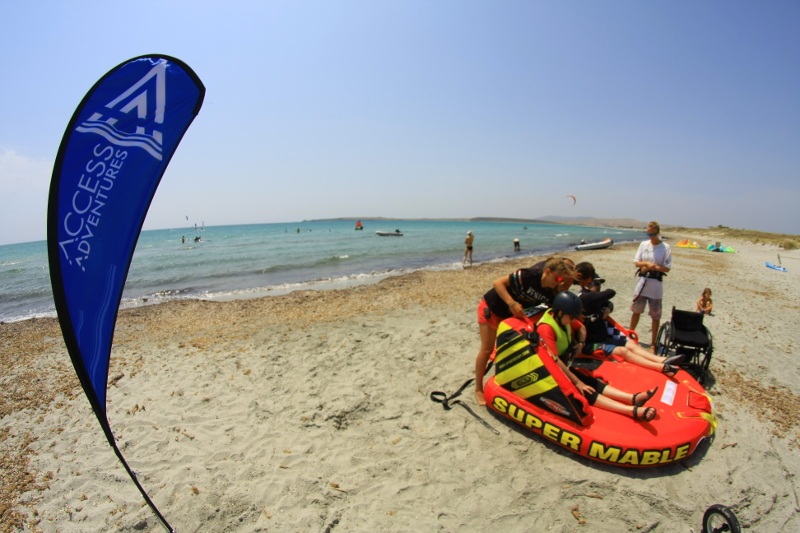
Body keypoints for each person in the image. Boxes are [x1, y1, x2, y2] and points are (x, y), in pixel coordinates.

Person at [537, 292, 658, 421]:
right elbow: (553, 360)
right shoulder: (546, 328)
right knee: (584, 389)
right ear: (560, 313)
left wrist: (581, 344)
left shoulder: (562, 317)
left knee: (590, 382)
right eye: (572, 317)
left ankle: (632, 398)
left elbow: (582, 327)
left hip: (564, 363)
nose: (573, 321)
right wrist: (578, 383)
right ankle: (630, 410)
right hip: (551, 369)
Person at [474, 256, 576, 405]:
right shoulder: (530, 275)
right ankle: (478, 388)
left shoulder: (550, 290)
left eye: (562, 280)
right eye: (558, 279)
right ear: (548, 271)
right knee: (486, 349)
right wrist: (512, 303)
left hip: (510, 316)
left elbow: (555, 311)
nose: (559, 283)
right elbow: (497, 283)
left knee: (512, 347)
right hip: (492, 307)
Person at [580, 275, 683, 375]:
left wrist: (608, 308)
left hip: (602, 339)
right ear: (587, 284)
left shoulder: (594, 298)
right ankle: (659, 367)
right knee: (623, 351)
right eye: (596, 284)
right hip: (589, 345)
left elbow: (608, 303)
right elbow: (610, 292)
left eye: (600, 284)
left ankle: (662, 360)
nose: (599, 287)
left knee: (631, 344)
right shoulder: (585, 297)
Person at [630, 221, 672, 349]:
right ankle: (629, 336)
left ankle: (653, 343)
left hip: (656, 286)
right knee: (636, 311)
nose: (651, 236)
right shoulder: (643, 245)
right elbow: (636, 262)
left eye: (653, 234)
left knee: (655, 315)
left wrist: (654, 267)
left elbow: (667, 268)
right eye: (649, 234)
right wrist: (646, 265)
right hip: (643, 282)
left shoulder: (665, 247)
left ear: (658, 233)